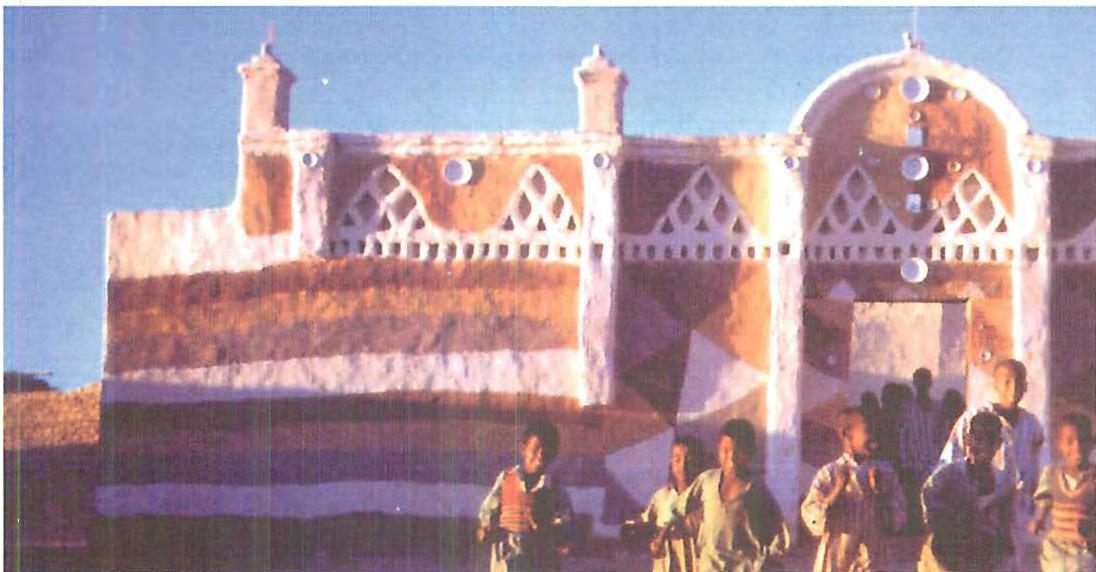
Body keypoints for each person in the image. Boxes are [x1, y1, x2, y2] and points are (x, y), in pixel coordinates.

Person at [939, 359, 1045, 568]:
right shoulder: (974, 420)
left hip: (1019, 515)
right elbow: (949, 462)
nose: (1013, 388)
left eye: (1018, 382)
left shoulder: (1031, 424)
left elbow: (1040, 466)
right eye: (1006, 382)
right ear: (995, 385)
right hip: (982, 510)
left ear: (1025, 386)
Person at [672, 418, 790, 572]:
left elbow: (779, 537)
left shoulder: (757, 493)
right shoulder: (707, 481)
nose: (732, 458)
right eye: (726, 450)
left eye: (739, 452)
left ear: (750, 453)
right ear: (718, 451)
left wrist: (764, 564)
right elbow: (679, 507)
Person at [801, 406, 906, 572]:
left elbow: (898, 519)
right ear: (846, 434)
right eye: (867, 431)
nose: (873, 438)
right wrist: (836, 491)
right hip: (837, 561)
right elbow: (812, 519)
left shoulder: (885, 473)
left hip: (872, 561)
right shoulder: (830, 474)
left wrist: (879, 494)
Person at [919, 411, 1016, 572]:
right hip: (947, 553)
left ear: (998, 444)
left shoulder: (1001, 483)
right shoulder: (948, 475)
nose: (981, 446)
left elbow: (1004, 522)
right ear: (967, 440)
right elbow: (928, 499)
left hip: (982, 556)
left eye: (989, 440)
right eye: (977, 439)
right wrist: (951, 521)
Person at [477, 419, 573, 572]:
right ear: (524, 449)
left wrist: (548, 530)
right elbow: (487, 513)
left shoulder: (556, 490)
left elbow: (566, 529)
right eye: (535, 448)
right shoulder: (506, 480)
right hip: (506, 563)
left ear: (554, 454)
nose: (541, 455)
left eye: (547, 450)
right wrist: (486, 529)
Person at [1028, 413, 1096, 572]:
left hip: (1084, 547)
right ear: (1059, 444)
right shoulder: (1051, 474)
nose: (1077, 446)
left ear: (1093, 444)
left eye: (1083, 440)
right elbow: (1044, 500)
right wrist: (1038, 519)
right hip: (1057, 547)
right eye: (1070, 441)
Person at [639, 435, 708, 572]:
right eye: (677, 459)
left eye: (689, 459)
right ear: (671, 464)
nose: (683, 465)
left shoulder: (706, 499)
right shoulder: (661, 498)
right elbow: (645, 532)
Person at [899, 368, 942, 533]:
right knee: (914, 499)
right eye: (919, 381)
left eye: (926, 381)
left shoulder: (938, 409)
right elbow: (904, 437)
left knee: (933, 499)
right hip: (913, 464)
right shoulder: (908, 409)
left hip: (933, 463)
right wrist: (906, 462)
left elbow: (942, 435)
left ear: (930, 383)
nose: (922, 385)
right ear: (915, 383)